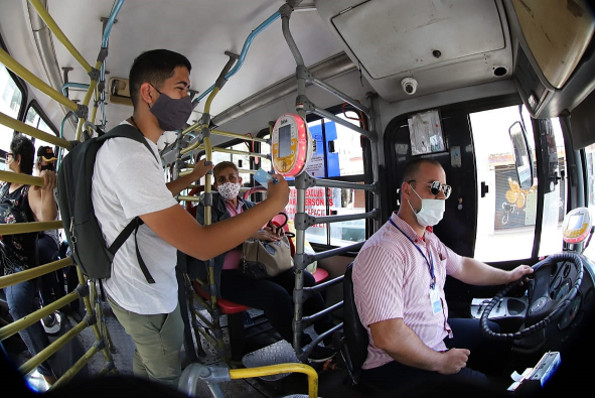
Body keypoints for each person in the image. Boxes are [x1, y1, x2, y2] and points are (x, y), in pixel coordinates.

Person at [90, 49, 289, 388]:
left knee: (148, 360)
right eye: (181, 88)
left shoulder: (141, 146)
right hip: (145, 296)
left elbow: (151, 194)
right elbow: (200, 245)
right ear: (149, 93)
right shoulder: (129, 156)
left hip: (146, 286)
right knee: (163, 376)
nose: (188, 99)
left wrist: (189, 177)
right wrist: (274, 204)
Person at [352, 158, 533, 395]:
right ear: (408, 190)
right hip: (397, 363)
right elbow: (388, 337)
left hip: (438, 336)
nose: (441, 197)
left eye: (444, 190)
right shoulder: (383, 251)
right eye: (434, 188)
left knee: (495, 332)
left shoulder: (427, 240)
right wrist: (441, 362)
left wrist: (509, 276)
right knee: (498, 390)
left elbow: (464, 266)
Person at [194, 161, 335, 362]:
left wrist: (271, 232)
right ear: (215, 186)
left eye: (231, 178)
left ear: (240, 181)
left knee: (304, 278)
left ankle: (329, 334)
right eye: (221, 180)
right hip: (226, 274)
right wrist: (253, 234)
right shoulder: (209, 206)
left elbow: (262, 231)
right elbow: (211, 238)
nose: (227, 183)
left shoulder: (250, 207)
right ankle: (302, 346)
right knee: (275, 295)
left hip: (255, 267)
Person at [1, 134, 58, 385]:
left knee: (20, 308)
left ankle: (48, 375)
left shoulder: (30, 188)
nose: (6, 159)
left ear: (19, 158)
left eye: (9, 156)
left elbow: (46, 217)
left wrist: (47, 189)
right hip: (2, 255)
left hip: (19, 265)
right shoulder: (6, 184)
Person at [34, 146, 66, 332]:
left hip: (48, 237)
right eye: (47, 164)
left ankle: (47, 307)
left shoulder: (52, 186)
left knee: (40, 253)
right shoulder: (31, 184)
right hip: (34, 235)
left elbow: (50, 218)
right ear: (39, 164)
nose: (50, 169)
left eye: (52, 164)